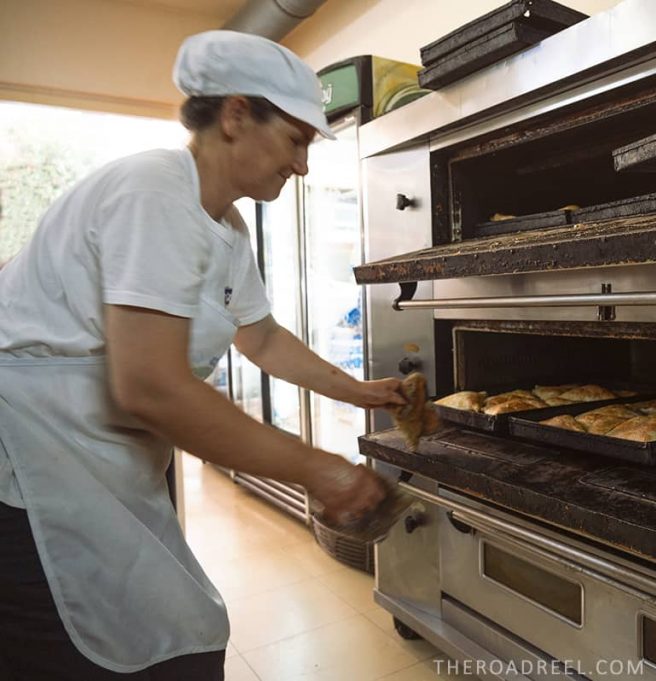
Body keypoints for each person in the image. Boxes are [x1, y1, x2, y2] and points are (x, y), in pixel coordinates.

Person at [0, 30, 405, 680]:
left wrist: (364, 393)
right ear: (237, 114)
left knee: (171, 635)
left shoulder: (228, 228)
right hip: (31, 461)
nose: (302, 165)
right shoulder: (153, 189)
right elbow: (151, 386)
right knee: (89, 649)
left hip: (103, 456)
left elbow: (262, 338)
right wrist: (323, 470)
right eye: (298, 140)